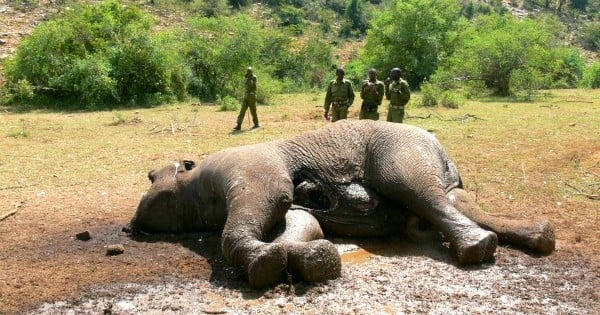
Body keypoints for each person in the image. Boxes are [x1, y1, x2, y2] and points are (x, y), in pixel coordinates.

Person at [234, 67, 259, 131]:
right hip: (246, 95)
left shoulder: (254, 77)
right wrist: (247, 78)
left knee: (253, 111)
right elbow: (245, 85)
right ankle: (239, 125)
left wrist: (250, 79)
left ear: (252, 72)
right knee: (242, 110)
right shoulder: (246, 77)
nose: (248, 73)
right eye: (248, 72)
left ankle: (256, 124)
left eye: (249, 72)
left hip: (252, 95)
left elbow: (253, 86)